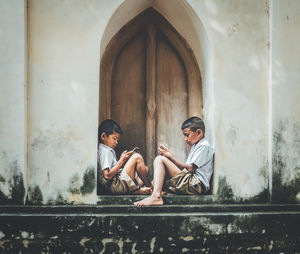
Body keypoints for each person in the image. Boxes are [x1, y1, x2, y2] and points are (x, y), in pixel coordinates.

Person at [134, 116, 214, 206]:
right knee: (161, 173)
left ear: (199, 132)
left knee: (159, 159)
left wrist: (170, 157)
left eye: (187, 135)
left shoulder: (204, 145)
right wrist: (170, 156)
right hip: (192, 182)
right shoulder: (197, 145)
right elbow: (186, 169)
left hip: (196, 184)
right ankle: (153, 190)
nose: (185, 139)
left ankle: (156, 196)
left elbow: (190, 168)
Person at [98, 119, 152, 194]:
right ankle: (152, 190)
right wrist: (121, 161)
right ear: (103, 136)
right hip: (113, 186)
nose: (116, 142)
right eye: (114, 138)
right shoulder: (105, 151)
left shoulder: (105, 149)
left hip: (116, 183)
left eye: (117, 140)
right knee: (137, 157)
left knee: (144, 169)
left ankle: (137, 190)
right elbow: (107, 175)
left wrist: (125, 159)